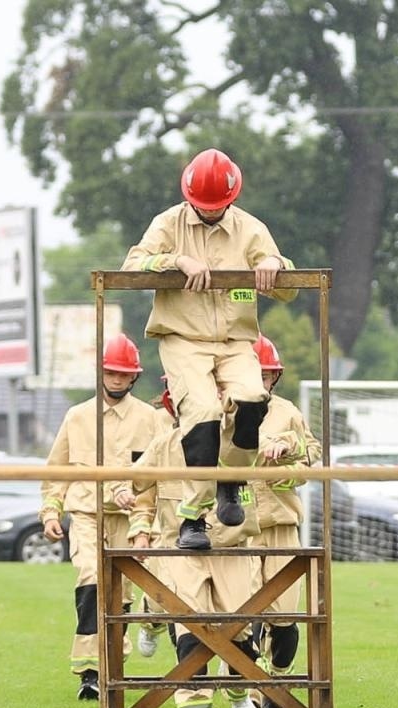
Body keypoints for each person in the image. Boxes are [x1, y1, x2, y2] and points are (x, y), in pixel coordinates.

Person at [122, 147, 296, 552]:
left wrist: (275, 263)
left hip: (236, 340)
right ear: (188, 197)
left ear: (232, 199)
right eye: (204, 206)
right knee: (203, 412)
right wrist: (176, 260)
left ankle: (231, 482)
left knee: (253, 398)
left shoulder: (251, 229)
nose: (211, 213)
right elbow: (132, 267)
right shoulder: (167, 223)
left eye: (219, 207)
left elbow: (288, 288)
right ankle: (192, 517)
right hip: (184, 338)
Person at [118, 400, 262, 708]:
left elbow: (279, 459)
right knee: (191, 624)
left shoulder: (238, 445)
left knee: (238, 624)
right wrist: (122, 490)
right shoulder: (165, 445)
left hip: (232, 549)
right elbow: (132, 480)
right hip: (181, 551)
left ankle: (240, 693)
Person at [40, 334, 171, 699]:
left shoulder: (150, 420)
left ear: (134, 378)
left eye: (123, 374)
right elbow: (57, 468)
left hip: (132, 518)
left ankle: (115, 659)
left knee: (123, 593)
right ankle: (89, 670)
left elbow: (157, 476)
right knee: (91, 580)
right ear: (101, 373)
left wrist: (146, 517)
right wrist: (52, 510)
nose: (116, 380)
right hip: (86, 513)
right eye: (111, 372)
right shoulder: (77, 416)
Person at [243, 334, 320, 708]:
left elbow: (311, 460)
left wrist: (286, 458)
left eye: (267, 374)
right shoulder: (226, 412)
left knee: (286, 617)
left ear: (276, 377)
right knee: (244, 616)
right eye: (254, 373)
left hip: (281, 525)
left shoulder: (289, 413)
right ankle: (254, 696)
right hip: (239, 529)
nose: (261, 380)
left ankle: (279, 683)